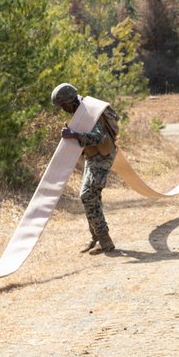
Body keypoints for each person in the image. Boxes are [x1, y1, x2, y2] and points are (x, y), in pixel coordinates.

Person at [51, 83, 119, 254]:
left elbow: (98, 137)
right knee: (91, 196)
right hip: (93, 156)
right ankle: (96, 238)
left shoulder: (89, 111)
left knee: (88, 195)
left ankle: (105, 242)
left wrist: (73, 135)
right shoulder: (81, 110)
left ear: (70, 101)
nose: (63, 109)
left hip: (102, 156)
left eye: (63, 106)